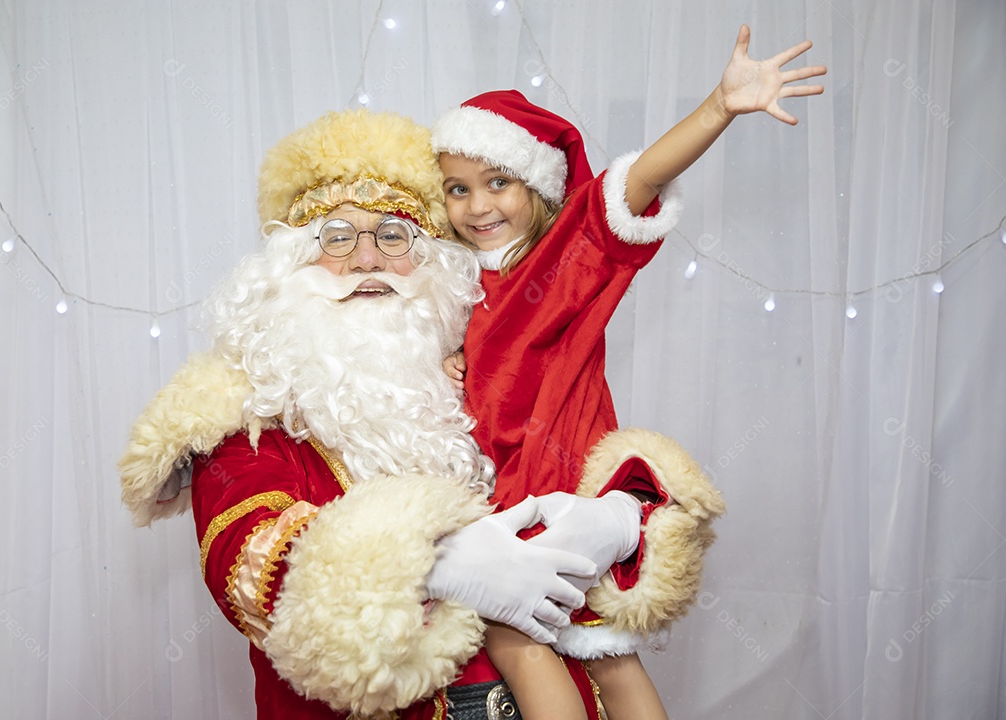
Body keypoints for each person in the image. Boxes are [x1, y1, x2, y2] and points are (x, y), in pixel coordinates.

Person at [118, 108, 721, 719]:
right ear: (291, 261)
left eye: (392, 236)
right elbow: (244, 564)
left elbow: (575, 452)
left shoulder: (461, 366)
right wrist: (439, 564)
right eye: (336, 237)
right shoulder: (248, 405)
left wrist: (618, 517)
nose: (366, 260)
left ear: (430, 259)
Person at [432, 24, 825, 720]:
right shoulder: (462, 285)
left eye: (499, 182)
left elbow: (635, 182)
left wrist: (718, 106)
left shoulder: (557, 261)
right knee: (608, 654)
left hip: (543, 498)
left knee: (517, 639)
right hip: (551, 494)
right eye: (458, 189)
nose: (478, 205)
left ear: (539, 187)